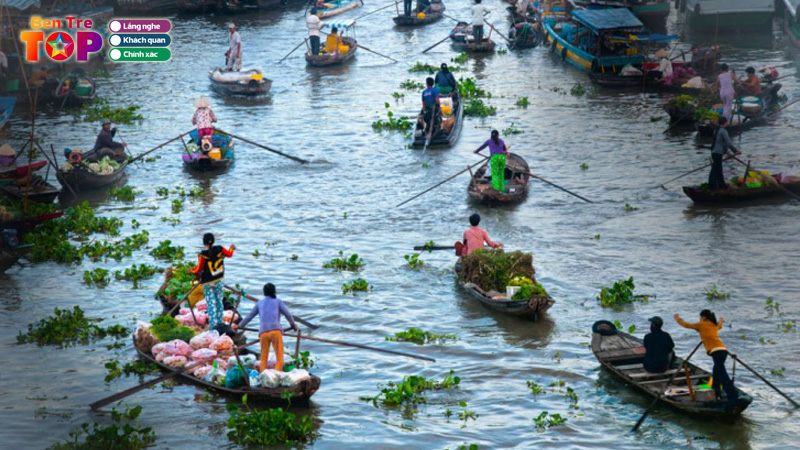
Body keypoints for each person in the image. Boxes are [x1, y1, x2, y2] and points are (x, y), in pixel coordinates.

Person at [674, 310, 739, 403]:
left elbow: (686, 325)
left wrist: (678, 319)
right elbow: (719, 326)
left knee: (723, 375)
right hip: (723, 351)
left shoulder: (701, 325)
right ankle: (717, 394)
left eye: (700, 317)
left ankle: (733, 396)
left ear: (703, 317)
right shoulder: (713, 325)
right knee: (716, 374)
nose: (699, 319)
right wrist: (721, 320)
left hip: (716, 352)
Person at [233, 283, 298, 372]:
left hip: (263, 333)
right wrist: (293, 325)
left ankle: (264, 375)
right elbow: (288, 315)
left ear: (264, 292)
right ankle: (277, 375)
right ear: (274, 291)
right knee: (279, 356)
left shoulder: (259, 303)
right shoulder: (278, 301)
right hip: (275, 331)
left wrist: (239, 326)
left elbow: (249, 317)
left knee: (263, 357)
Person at [191, 233, 235, 331]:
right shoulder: (220, 249)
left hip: (207, 283)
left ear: (204, 243)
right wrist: (231, 248)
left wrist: (191, 270)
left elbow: (198, 269)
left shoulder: (203, 254)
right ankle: (220, 323)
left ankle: (213, 326)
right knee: (219, 302)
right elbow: (230, 254)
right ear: (214, 241)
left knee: (211, 304)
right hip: (219, 280)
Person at [708, 117, 741, 190]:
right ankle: (713, 186)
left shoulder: (716, 130)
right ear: (725, 123)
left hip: (714, 152)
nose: (728, 123)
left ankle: (720, 185)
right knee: (715, 170)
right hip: (718, 153)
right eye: (727, 122)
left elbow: (720, 143)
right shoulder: (723, 131)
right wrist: (735, 151)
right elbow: (729, 143)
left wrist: (727, 152)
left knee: (717, 169)